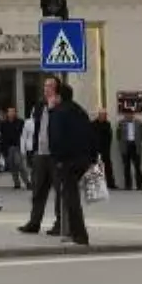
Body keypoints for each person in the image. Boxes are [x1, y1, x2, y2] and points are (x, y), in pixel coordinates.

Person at [48, 82, 93, 245]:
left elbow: (56, 138)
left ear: (59, 96)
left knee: (70, 197)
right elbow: (91, 133)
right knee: (71, 195)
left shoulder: (58, 112)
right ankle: (74, 232)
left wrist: (58, 159)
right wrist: (91, 158)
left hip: (67, 160)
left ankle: (79, 235)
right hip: (83, 159)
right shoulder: (80, 111)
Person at [19, 77, 63, 236]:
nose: (46, 89)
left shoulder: (61, 106)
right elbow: (37, 129)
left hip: (55, 155)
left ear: (57, 88)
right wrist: (34, 151)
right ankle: (34, 222)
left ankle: (60, 224)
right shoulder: (39, 105)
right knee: (38, 191)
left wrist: (53, 109)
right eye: (45, 86)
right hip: (40, 154)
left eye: (50, 86)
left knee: (60, 191)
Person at [1, 107, 31, 189]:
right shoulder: (4, 123)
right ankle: (16, 183)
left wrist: (24, 145)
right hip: (8, 147)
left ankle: (27, 182)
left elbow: (24, 134)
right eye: (10, 112)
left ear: (15, 113)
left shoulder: (20, 122)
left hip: (17, 146)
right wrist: (3, 149)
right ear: (7, 113)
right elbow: (2, 136)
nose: (11, 113)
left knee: (19, 164)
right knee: (12, 166)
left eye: (13, 111)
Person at [117, 110, 142, 191]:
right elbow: (118, 135)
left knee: (137, 167)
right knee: (126, 167)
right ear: (125, 115)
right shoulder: (121, 123)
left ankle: (139, 186)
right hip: (126, 147)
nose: (128, 115)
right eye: (127, 114)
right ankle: (128, 185)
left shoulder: (140, 123)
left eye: (130, 114)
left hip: (135, 147)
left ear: (133, 114)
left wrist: (138, 142)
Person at [92, 109, 116, 189]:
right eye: (102, 115)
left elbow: (109, 136)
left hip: (105, 149)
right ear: (99, 116)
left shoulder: (107, 124)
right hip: (96, 149)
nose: (103, 117)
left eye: (104, 116)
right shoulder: (93, 124)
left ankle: (111, 184)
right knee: (96, 167)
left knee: (108, 167)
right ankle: (96, 185)